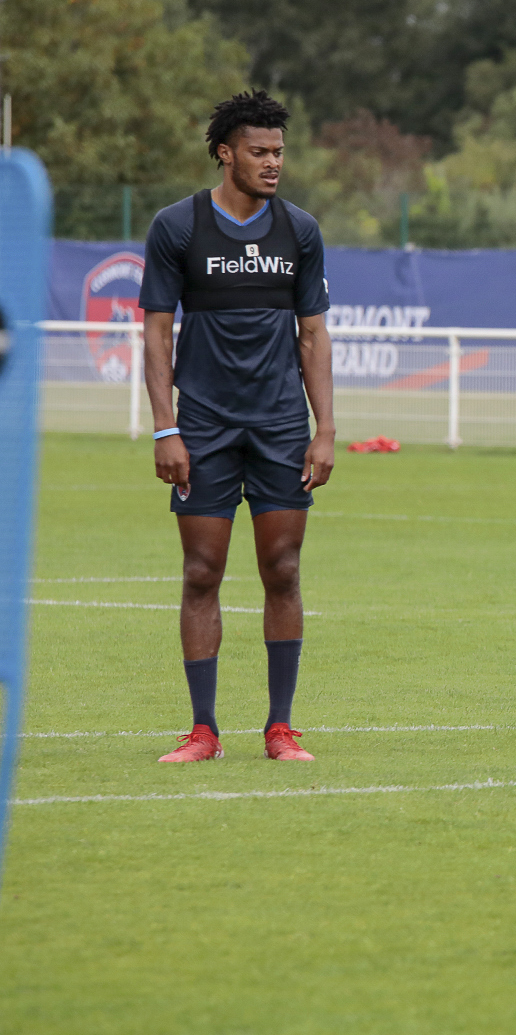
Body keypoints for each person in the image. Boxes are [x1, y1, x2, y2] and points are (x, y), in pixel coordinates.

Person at [139, 90, 335, 763]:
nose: (274, 163)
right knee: (201, 572)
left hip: (281, 427)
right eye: (259, 152)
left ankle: (280, 729)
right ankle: (204, 731)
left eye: (279, 152)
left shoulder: (300, 232)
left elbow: (313, 335)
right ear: (226, 153)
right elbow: (157, 332)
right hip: (206, 427)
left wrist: (326, 427)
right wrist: (166, 429)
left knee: (282, 569)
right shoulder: (177, 227)